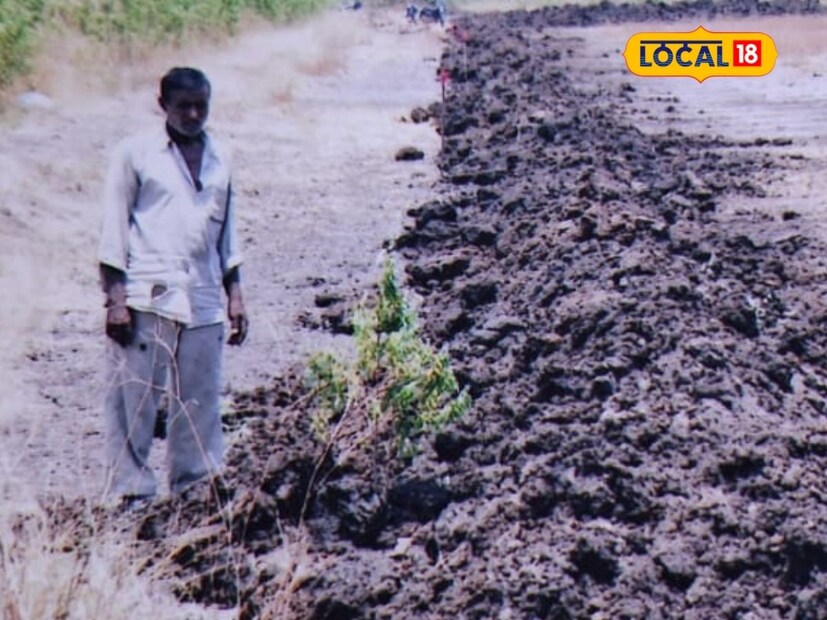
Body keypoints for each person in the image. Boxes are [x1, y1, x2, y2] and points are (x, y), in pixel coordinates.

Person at [98, 67, 248, 502]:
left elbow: (228, 235)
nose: (194, 113)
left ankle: (195, 494)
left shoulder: (222, 156)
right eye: (184, 106)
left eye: (202, 105)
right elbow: (114, 229)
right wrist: (115, 300)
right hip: (148, 294)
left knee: (199, 404)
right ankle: (131, 497)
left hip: (202, 300)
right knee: (134, 404)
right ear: (163, 105)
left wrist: (235, 295)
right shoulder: (136, 154)